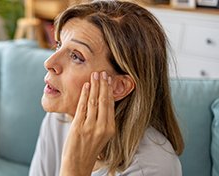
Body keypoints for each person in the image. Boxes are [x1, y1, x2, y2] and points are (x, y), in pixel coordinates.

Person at [29, 0, 184, 176]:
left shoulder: (153, 168)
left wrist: (74, 168)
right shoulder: (60, 118)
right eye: (58, 45)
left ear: (118, 87)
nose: (49, 63)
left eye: (76, 56)